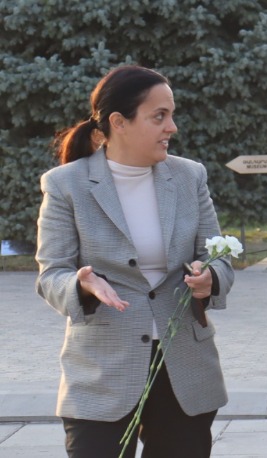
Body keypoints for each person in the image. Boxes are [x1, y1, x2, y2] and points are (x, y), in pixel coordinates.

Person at [35, 65, 234, 457]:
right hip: (102, 369)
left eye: (171, 115)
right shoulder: (65, 184)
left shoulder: (190, 176)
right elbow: (51, 274)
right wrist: (81, 285)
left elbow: (218, 257)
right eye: (159, 116)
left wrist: (210, 277)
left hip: (184, 366)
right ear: (118, 122)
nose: (172, 127)